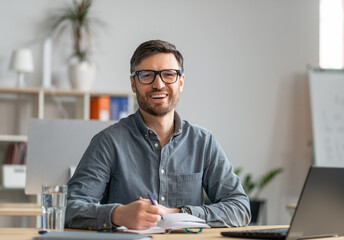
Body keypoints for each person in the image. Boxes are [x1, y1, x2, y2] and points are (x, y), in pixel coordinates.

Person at [65, 39, 251, 230]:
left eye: (169, 75)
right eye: (146, 75)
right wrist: (117, 215)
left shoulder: (203, 143)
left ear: (181, 82)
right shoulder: (108, 142)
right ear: (133, 83)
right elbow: (69, 207)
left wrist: (179, 214)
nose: (158, 84)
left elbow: (240, 208)